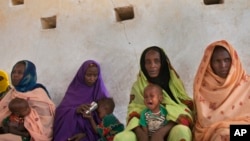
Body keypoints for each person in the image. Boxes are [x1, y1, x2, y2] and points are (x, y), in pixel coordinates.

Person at [114, 46, 194, 141]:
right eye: (148, 62)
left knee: (182, 130)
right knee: (121, 138)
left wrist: (161, 132)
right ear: (143, 65)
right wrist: (141, 134)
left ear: (163, 63)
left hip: (169, 130)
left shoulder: (173, 84)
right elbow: (133, 112)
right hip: (144, 131)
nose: (152, 65)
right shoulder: (138, 86)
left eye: (156, 61)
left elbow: (182, 110)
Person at [193, 40, 250, 141]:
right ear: (209, 63)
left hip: (245, 130)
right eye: (217, 61)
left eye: (227, 60)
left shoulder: (246, 83)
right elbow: (205, 122)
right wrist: (223, 127)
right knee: (223, 135)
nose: (223, 65)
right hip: (216, 132)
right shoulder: (202, 86)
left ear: (233, 60)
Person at [53, 60, 110, 141]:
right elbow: (60, 113)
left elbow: (106, 121)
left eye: (95, 75)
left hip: (91, 134)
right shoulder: (74, 90)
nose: (92, 78)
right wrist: (75, 110)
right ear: (82, 74)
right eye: (88, 75)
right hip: (69, 131)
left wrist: (86, 134)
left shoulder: (101, 94)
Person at [0, 60, 55, 141]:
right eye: (14, 72)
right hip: (10, 127)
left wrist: (24, 122)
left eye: (19, 72)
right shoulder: (13, 92)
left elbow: (45, 123)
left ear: (29, 75)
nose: (15, 75)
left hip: (31, 134)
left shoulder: (38, 94)